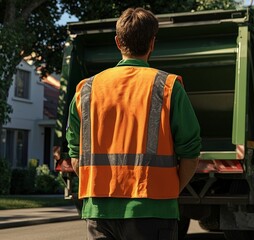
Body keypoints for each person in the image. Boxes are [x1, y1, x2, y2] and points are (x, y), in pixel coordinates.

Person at [66, 7, 201, 240]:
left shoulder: (85, 90)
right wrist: (169, 190)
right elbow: (190, 152)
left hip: (99, 212)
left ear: (118, 42)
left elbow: (76, 156)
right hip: (154, 211)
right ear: (152, 43)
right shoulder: (168, 87)